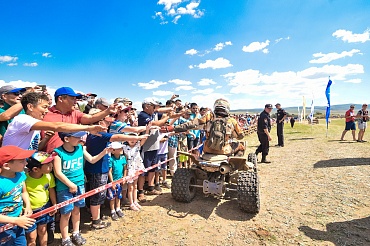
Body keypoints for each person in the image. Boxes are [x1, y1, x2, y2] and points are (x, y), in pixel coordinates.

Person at [84, 110, 149, 229]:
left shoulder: (94, 135)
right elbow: (117, 137)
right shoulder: (99, 134)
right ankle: (96, 221)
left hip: (99, 167)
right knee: (97, 196)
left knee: (99, 195)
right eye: (105, 121)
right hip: (97, 169)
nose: (108, 124)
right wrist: (139, 137)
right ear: (99, 122)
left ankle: (97, 216)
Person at [53, 131, 111, 246]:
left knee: (76, 210)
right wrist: (70, 184)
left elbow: (92, 160)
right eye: (77, 136)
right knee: (66, 213)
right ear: (67, 139)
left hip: (79, 184)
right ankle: (65, 238)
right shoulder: (57, 153)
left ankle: (76, 232)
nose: (80, 138)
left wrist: (104, 152)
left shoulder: (80, 148)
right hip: (64, 187)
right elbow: (58, 173)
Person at [2, 92, 106, 150]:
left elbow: (35, 148)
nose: (46, 110)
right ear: (30, 106)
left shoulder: (34, 126)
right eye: (44, 107)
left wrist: (46, 139)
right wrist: (88, 128)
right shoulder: (23, 119)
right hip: (10, 168)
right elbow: (57, 126)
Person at [41, 87, 118, 153]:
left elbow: (90, 119)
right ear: (60, 99)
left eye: (76, 99)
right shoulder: (44, 114)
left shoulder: (76, 113)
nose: (75, 102)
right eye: (72, 98)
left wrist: (107, 111)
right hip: (48, 161)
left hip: (71, 160)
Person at [166, 98, 245, 156]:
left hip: (208, 149)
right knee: (241, 146)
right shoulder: (232, 121)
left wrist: (173, 128)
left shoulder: (209, 116)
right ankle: (232, 167)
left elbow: (192, 124)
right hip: (224, 151)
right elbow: (241, 136)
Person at [0, 146, 36, 246]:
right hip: (4, 226)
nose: (26, 163)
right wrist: (15, 220)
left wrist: (28, 205)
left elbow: (23, 191)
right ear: (7, 166)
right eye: (22, 161)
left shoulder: (20, 174)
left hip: (19, 220)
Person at [25, 151, 57, 246]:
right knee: (31, 237)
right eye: (47, 164)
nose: (51, 165)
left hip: (45, 207)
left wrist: (54, 204)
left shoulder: (49, 176)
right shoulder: (24, 179)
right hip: (30, 212)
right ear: (35, 169)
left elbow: (51, 190)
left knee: (43, 231)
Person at [122, 131, 150, 211]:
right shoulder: (124, 147)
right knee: (130, 187)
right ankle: (131, 203)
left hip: (136, 167)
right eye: (130, 138)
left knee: (135, 186)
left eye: (134, 138)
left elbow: (145, 138)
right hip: (129, 169)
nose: (132, 140)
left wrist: (147, 130)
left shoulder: (138, 145)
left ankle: (135, 201)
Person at [107, 142, 127, 220]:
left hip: (120, 180)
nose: (121, 149)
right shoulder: (111, 159)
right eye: (119, 148)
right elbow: (110, 171)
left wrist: (124, 177)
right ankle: (112, 211)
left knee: (118, 195)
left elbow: (125, 168)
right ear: (113, 150)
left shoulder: (123, 158)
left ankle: (118, 209)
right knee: (112, 197)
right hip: (113, 181)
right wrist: (112, 182)